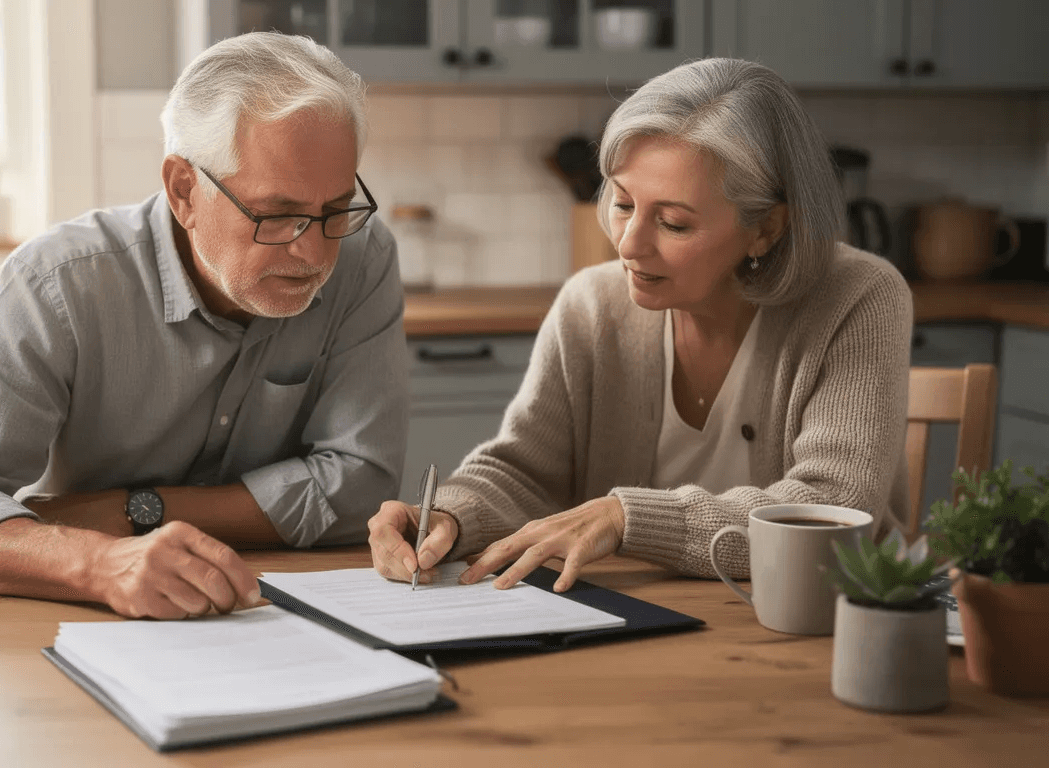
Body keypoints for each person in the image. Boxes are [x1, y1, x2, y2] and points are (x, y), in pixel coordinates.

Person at [0, 32, 409, 620]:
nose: (313, 254)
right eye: (278, 215)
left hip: (276, 617)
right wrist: (100, 563)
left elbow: (362, 483)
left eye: (335, 211)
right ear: (185, 190)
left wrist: (135, 511)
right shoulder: (55, 284)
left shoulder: (364, 258)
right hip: (74, 622)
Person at [368, 57, 911, 593]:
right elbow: (527, 473)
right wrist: (449, 518)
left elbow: (833, 507)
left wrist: (625, 518)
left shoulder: (858, 297)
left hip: (820, 627)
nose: (627, 244)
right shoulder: (591, 305)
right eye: (623, 203)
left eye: (673, 223)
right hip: (639, 622)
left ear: (766, 228)